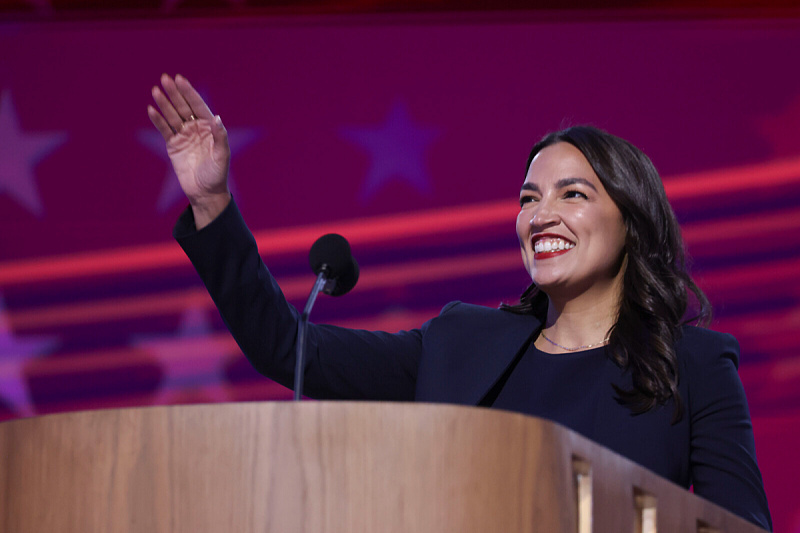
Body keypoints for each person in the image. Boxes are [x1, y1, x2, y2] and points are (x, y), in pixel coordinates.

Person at [148, 73, 772, 530]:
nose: (541, 214)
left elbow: (741, 526)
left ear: (631, 222)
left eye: (572, 194)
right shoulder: (459, 344)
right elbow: (287, 346)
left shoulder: (692, 362)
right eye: (528, 198)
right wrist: (212, 205)